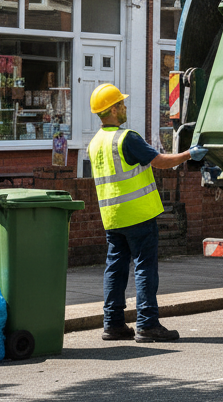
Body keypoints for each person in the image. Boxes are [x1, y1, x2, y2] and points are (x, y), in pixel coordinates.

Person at [87, 83, 207, 343]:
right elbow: (161, 162)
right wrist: (189, 154)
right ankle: (147, 324)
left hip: (112, 217)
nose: (125, 106)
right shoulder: (126, 138)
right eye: (121, 103)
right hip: (139, 215)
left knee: (115, 269)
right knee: (145, 269)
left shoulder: (95, 143)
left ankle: (113, 323)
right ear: (113, 108)